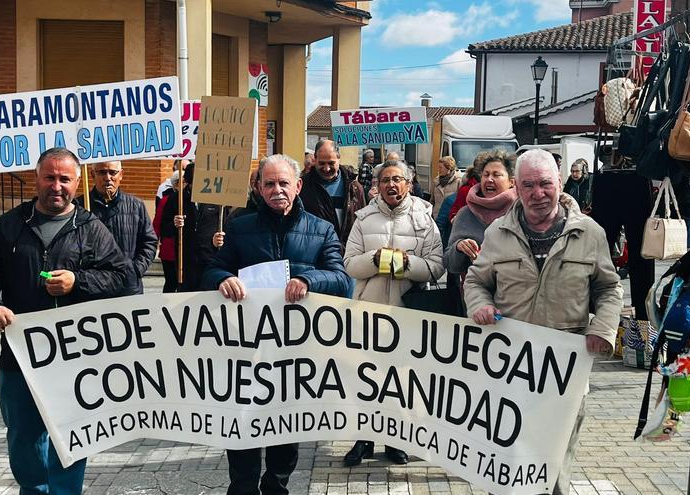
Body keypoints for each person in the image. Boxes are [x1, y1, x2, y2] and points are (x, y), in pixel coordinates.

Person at [0, 147, 130, 494]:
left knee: (72, 434)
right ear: (36, 178)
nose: (57, 186)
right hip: (19, 356)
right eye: (50, 177)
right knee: (23, 436)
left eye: (65, 179)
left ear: (75, 183)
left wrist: (78, 281)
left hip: (76, 357)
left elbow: (121, 277)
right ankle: (34, 489)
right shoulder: (10, 225)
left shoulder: (90, 227)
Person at [462, 149, 622, 495]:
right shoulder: (497, 233)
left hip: (564, 372)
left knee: (554, 467)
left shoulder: (590, 233)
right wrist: (480, 305)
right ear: (517, 188)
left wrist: (603, 329)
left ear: (559, 183)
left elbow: (609, 288)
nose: (538, 193)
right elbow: (476, 281)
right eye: (529, 185)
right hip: (508, 370)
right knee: (505, 466)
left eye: (545, 184)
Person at [201, 153, 350, 495]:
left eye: (284, 183)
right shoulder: (239, 227)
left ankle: (276, 484)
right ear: (258, 188)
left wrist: (309, 280)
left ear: (298, 186)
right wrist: (223, 278)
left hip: (295, 351)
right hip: (246, 350)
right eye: (269, 183)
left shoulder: (322, 229)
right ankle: (242, 488)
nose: (277, 190)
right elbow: (210, 271)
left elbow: (341, 279)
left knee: (288, 429)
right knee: (242, 424)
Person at [342, 159, 445, 467]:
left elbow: (436, 266)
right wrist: (375, 259)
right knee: (366, 378)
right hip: (369, 312)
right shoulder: (363, 218)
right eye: (385, 179)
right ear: (378, 185)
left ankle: (396, 440)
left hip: (407, 313)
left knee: (401, 382)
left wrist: (405, 265)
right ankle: (363, 438)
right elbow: (349, 263)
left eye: (397, 179)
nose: (391, 185)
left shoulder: (425, 219)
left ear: (408, 184)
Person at [81, 160, 158, 295]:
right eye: (102, 172)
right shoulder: (79, 207)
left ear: (121, 174)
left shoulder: (136, 206)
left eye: (112, 172)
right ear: (92, 174)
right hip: (92, 287)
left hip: (128, 286)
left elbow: (149, 241)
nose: (107, 177)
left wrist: (135, 270)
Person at [445, 150, 517, 278]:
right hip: (476, 292)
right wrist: (459, 247)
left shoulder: (521, 211)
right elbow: (449, 264)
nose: (489, 179)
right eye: (486, 174)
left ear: (512, 182)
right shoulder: (465, 213)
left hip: (517, 291)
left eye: (496, 175)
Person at [159, 163, 226, 292]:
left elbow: (226, 226)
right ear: (188, 182)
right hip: (185, 262)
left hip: (210, 259)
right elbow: (164, 230)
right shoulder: (176, 200)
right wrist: (174, 224)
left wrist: (222, 238)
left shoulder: (216, 200)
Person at [299, 139, 366, 249]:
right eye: (322, 163)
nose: (326, 168)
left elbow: (363, 222)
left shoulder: (355, 188)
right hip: (314, 252)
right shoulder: (302, 187)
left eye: (331, 163)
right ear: (315, 159)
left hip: (348, 252)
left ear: (339, 158)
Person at [153, 171, 182, 293]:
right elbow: (157, 223)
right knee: (171, 282)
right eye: (184, 182)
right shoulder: (165, 200)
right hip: (169, 247)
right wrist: (155, 242)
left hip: (186, 249)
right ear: (176, 185)